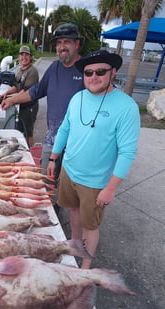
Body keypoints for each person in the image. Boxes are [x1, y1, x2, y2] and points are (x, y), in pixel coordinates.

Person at [47, 49, 140, 269]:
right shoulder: (77, 97)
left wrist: (111, 188)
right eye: (88, 73)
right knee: (73, 210)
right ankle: (74, 246)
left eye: (100, 71)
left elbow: (127, 152)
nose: (93, 77)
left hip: (96, 181)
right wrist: (53, 158)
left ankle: (85, 266)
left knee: (92, 225)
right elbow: (65, 129)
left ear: (113, 72)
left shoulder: (126, 107)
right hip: (68, 170)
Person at [1, 23, 84, 173]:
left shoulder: (88, 70)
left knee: (69, 190)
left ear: (77, 44)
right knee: (45, 181)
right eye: (59, 43)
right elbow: (35, 91)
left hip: (77, 144)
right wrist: (11, 100)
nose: (61, 47)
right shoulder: (54, 69)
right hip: (52, 139)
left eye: (66, 42)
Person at [1, 46, 39, 147]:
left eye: (27, 55)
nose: (24, 57)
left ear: (30, 57)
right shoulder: (20, 70)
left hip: (30, 106)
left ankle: (30, 152)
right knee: (20, 130)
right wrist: (6, 93)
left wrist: (11, 100)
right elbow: (16, 86)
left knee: (28, 133)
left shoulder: (32, 72)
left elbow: (25, 91)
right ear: (19, 56)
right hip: (21, 105)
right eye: (22, 55)